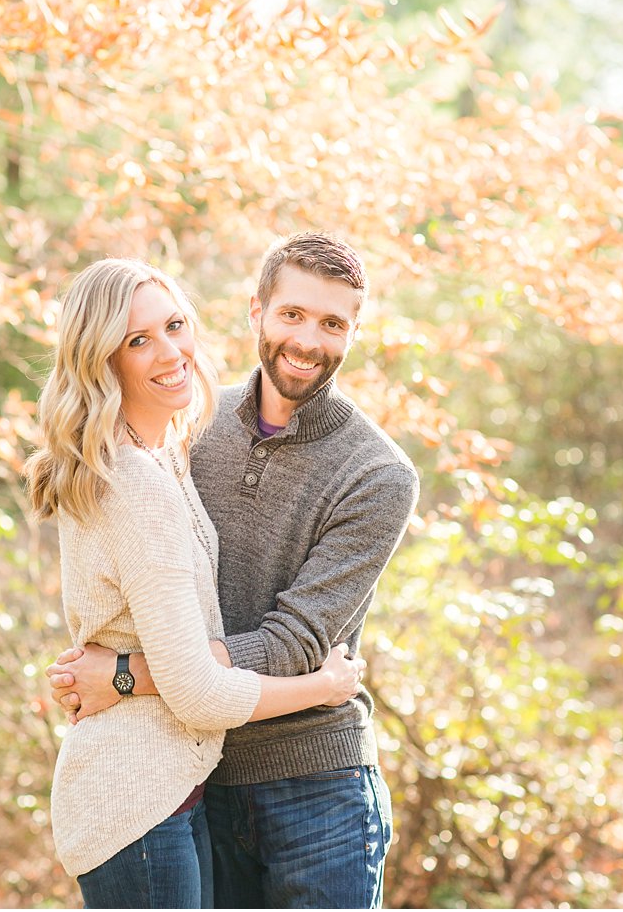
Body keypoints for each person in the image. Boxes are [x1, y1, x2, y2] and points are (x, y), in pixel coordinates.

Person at [48, 232, 420, 909]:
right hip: (201, 780)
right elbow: (136, 581)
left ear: (355, 333)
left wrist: (132, 676)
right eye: (292, 315)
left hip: (319, 790)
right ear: (256, 312)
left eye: (333, 323)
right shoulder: (190, 423)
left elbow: (296, 644)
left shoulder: (379, 474)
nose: (308, 340)